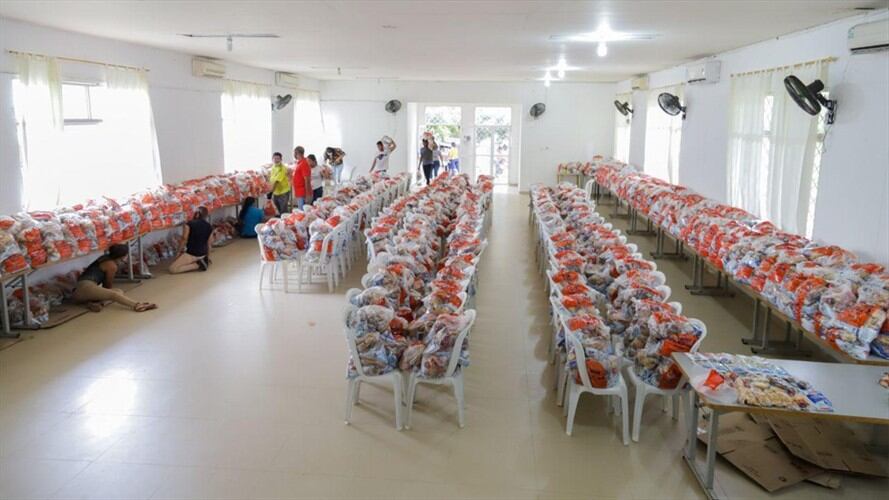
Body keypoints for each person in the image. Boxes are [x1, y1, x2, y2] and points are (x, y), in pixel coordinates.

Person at [73, 244, 157, 312]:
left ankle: (96, 304)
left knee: (118, 291)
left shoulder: (104, 258)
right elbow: (107, 285)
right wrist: (109, 294)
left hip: (82, 288)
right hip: (84, 288)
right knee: (114, 294)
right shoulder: (112, 266)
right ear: (123, 256)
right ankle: (136, 305)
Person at [169, 206, 213, 274]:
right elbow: (209, 244)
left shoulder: (189, 224)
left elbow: (184, 239)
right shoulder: (209, 226)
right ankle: (202, 261)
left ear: (197, 214)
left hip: (192, 253)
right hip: (203, 253)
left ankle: (197, 265)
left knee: (172, 268)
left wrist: (178, 252)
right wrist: (207, 257)